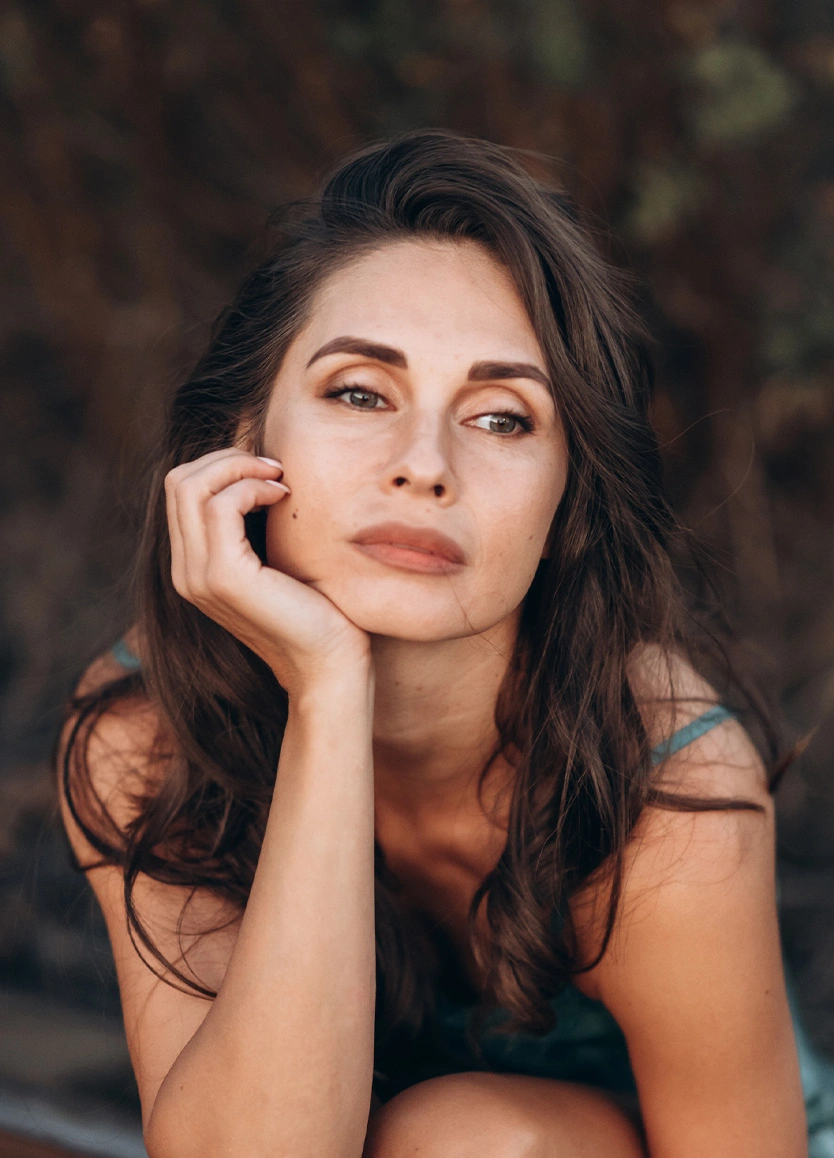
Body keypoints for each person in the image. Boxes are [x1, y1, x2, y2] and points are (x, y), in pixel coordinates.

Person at [58, 129, 831, 1158]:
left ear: (570, 509)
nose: (424, 465)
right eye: (360, 394)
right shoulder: (143, 733)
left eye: (504, 418)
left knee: (466, 1139)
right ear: (238, 441)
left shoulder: (667, 794)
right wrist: (329, 694)